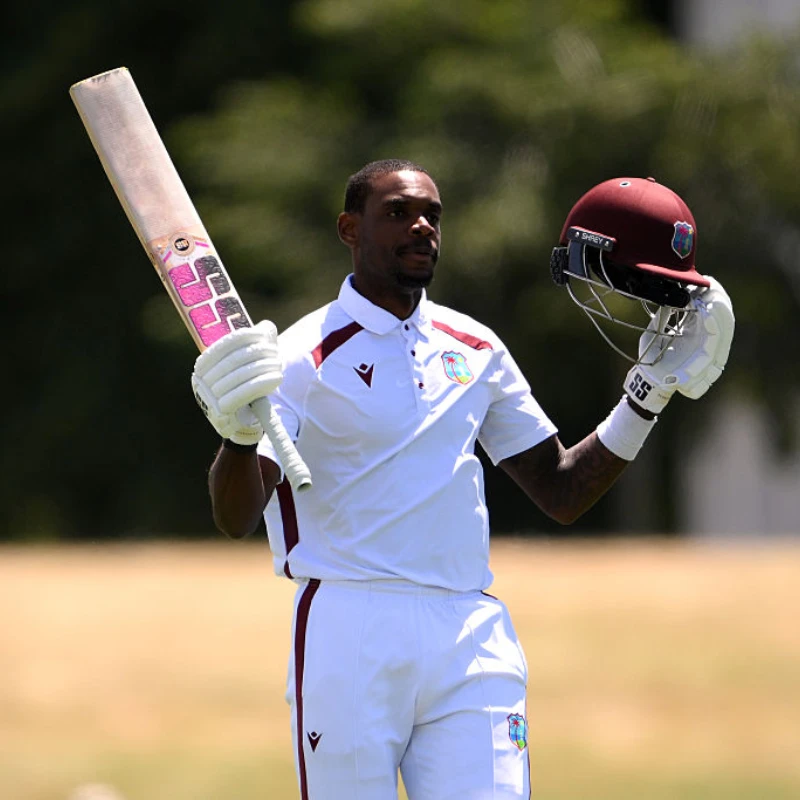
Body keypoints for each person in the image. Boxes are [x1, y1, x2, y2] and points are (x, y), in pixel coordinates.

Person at [190, 162, 734, 799]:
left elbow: (559, 491)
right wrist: (237, 435)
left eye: (432, 215)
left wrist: (646, 397)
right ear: (349, 228)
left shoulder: (474, 346)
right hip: (348, 625)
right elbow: (236, 517)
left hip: (468, 628)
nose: (421, 226)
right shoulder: (296, 357)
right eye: (397, 212)